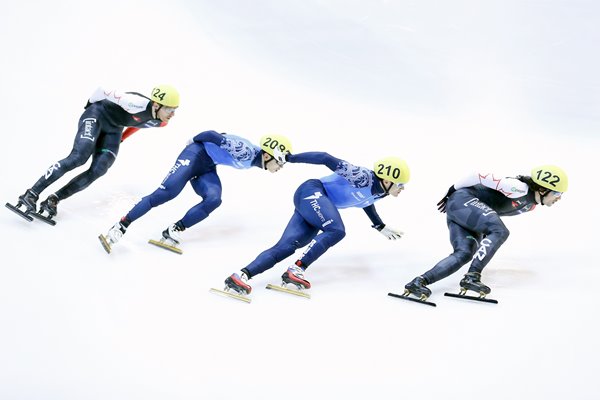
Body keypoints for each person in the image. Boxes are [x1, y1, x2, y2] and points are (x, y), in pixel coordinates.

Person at [223, 153, 410, 296]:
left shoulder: (382, 192)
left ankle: (241, 275)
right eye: (400, 184)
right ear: (386, 179)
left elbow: (366, 202)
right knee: (336, 230)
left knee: (287, 246)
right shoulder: (362, 176)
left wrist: (379, 225)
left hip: (316, 203)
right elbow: (325, 158)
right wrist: (290, 158)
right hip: (313, 191)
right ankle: (297, 269)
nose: (402, 189)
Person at [100, 131, 292, 252]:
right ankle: (121, 226)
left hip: (207, 165)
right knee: (165, 194)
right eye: (280, 163)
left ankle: (174, 230)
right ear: (267, 155)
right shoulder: (246, 151)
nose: (280, 167)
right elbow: (210, 135)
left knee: (214, 200)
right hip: (195, 155)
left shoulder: (258, 156)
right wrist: (191, 141)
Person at [9, 85, 180, 219]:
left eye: (175, 109)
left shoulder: (162, 122)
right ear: (156, 105)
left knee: (100, 169)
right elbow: (102, 90)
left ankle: (53, 199)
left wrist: (122, 138)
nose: (172, 114)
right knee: (79, 157)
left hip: (114, 129)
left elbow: (139, 125)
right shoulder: (134, 101)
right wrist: (89, 107)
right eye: (169, 109)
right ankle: (31, 193)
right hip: (98, 114)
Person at [402, 165, 568, 300]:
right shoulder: (518, 188)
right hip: (463, 201)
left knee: (465, 253)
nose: (559, 198)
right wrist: (451, 192)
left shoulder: (530, 205)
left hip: (466, 212)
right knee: (500, 231)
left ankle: (418, 282)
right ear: (542, 189)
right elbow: (477, 175)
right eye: (557, 193)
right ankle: (472, 277)